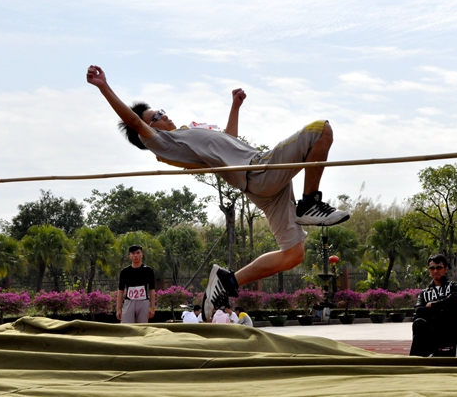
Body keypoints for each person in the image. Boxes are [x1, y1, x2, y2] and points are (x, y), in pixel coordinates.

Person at [88, 65, 350, 321]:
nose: (164, 116)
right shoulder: (163, 143)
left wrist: (235, 107)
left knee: (293, 255)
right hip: (259, 171)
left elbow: (230, 139)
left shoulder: (187, 134)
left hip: (264, 188)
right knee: (320, 129)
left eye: (162, 111)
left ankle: (228, 280)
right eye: (157, 116)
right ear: (149, 129)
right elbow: (133, 121)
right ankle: (309, 203)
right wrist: (104, 87)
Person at [410, 255, 457, 357]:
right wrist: (443, 306)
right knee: (418, 322)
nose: (435, 271)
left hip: (450, 329)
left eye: (439, 267)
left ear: (446, 269)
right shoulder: (424, 293)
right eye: (432, 268)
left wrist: (432, 305)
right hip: (431, 331)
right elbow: (419, 310)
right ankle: (416, 360)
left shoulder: (455, 287)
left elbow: (454, 301)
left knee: (450, 316)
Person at [116, 245, 156, 323]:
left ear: (142, 255)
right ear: (130, 256)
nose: (136, 255)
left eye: (138, 253)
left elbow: (152, 290)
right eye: (133, 253)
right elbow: (120, 291)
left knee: (142, 326)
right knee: (127, 326)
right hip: (129, 302)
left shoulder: (148, 271)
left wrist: (152, 308)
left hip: (143, 302)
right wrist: (118, 309)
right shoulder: (124, 272)